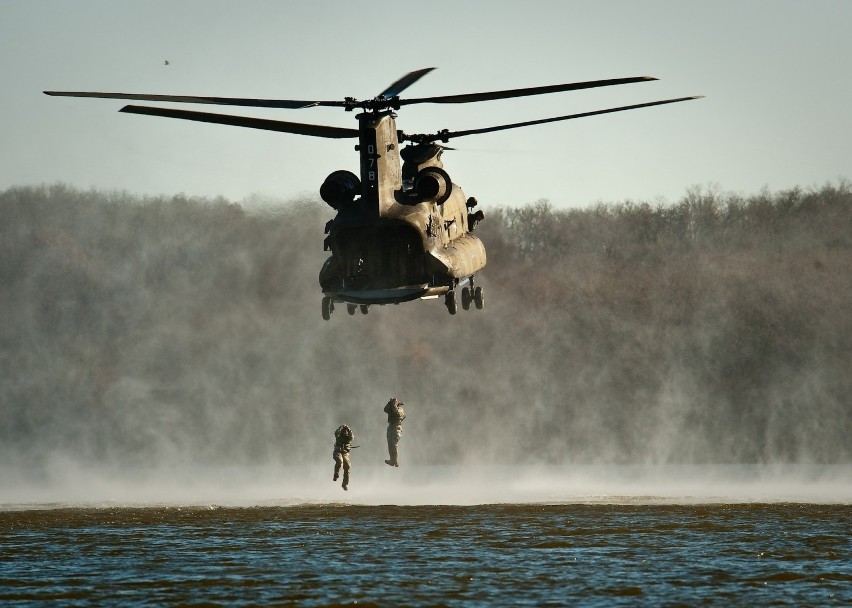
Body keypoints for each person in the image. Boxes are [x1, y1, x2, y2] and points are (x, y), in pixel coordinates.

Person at [383, 397, 406, 467]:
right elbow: (385, 409)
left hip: (396, 428)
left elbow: (396, 412)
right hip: (391, 426)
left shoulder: (400, 410)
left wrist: (393, 404)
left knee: (393, 443)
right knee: (390, 444)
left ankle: (395, 460)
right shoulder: (393, 408)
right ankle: (392, 460)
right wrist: (390, 403)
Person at [332, 424, 354, 490]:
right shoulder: (338, 436)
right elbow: (336, 433)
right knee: (339, 461)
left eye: (346, 431)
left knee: (347, 467)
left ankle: (344, 484)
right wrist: (340, 428)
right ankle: (336, 475)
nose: (345, 432)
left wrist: (348, 429)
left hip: (345, 453)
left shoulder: (349, 437)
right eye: (343, 431)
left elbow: (352, 437)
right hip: (338, 451)